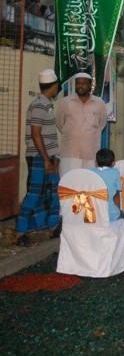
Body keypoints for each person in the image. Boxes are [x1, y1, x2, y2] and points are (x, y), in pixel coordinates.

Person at [14, 69, 61, 246]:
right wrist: (47, 160)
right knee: (34, 194)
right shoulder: (39, 105)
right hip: (39, 157)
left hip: (48, 157)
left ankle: (52, 226)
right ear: (54, 86)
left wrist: (54, 157)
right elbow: (36, 134)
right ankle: (20, 232)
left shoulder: (47, 104)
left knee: (54, 192)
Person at [56, 72, 107, 177]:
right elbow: (60, 123)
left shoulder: (99, 103)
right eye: (78, 83)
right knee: (68, 184)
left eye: (84, 83)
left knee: (89, 184)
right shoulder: (66, 102)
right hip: (70, 155)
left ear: (90, 85)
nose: (80, 86)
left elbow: (101, 125)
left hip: (91, 155)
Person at [90, 148, 123, 222]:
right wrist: (119, 210)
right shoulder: (115, 172)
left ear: (96, 162)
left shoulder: (91, 172)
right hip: (111, 214)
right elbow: (117, 193)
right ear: (113, 163)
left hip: (94, 214)